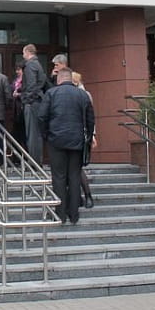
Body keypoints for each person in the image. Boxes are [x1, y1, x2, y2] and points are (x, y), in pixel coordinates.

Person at [38, 68, 95, 225]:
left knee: (58, 177)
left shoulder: (51, 93)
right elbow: (91, 119)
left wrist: (46, 135)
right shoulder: (82, 95)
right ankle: (74, 215)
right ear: (70, 78)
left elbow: (42, 116)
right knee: (74, 176)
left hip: (56, 140)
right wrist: (88, 138)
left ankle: (60, 214)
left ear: (59, 79)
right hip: (77, 141)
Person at [73, 71, 99, 208]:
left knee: (76, 168)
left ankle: (86, 196)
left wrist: (92, 135)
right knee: (76, 168)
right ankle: (82, 197)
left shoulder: (83, 95)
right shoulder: (83, 95)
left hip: (80, 136)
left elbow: (90, 117)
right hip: (81, 135)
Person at [21, 44, 47, 164]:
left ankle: (34, 162)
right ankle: (36, 161)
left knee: (32, 134)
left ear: (28, 52)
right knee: (36, 133)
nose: (23, 55)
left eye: (23, 53)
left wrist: (26, 100)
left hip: (32, 102)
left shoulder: (30, 65)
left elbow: (31, 85)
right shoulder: (38, 64)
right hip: (37, 101)